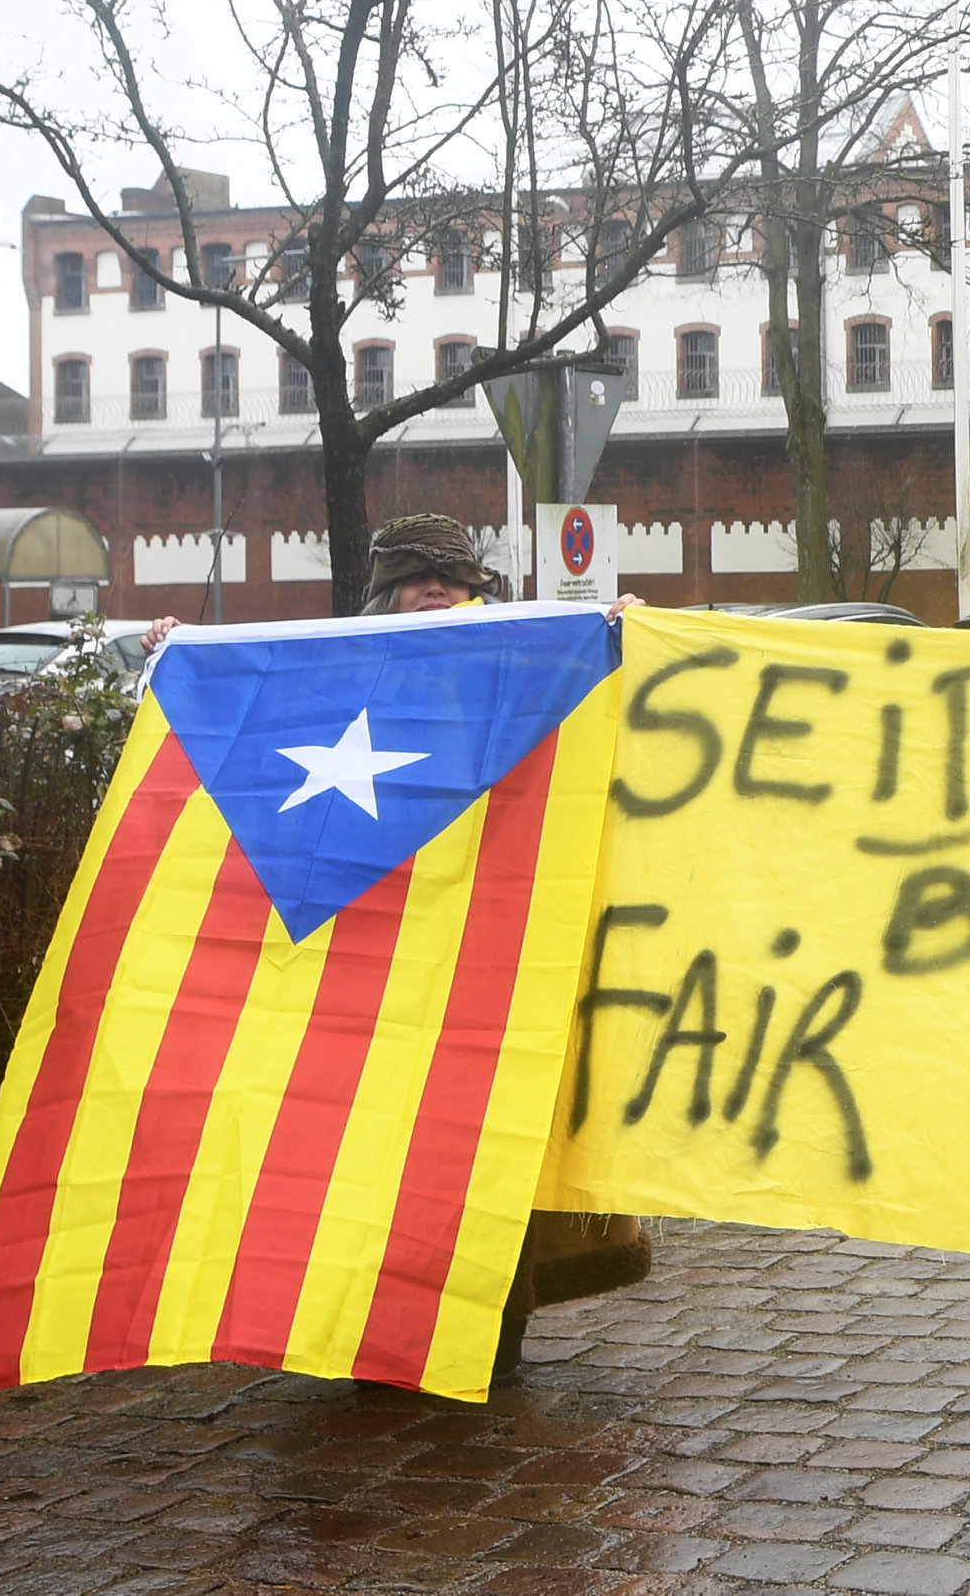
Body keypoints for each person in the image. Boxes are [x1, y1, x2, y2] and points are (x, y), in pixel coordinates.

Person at [149, 515, 649, 1388]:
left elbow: (589, 709)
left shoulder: (518, 658)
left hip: (488, 951)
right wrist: (179, 655)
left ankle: (492, 1332)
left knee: (483, 1150)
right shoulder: (340, 668)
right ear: (386, 586)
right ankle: (370, 1334)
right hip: (365, 955)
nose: (437, 589)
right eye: (419, 575)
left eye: (451, 576)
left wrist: (618, 636)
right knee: (365, 1150)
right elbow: (252, 734)